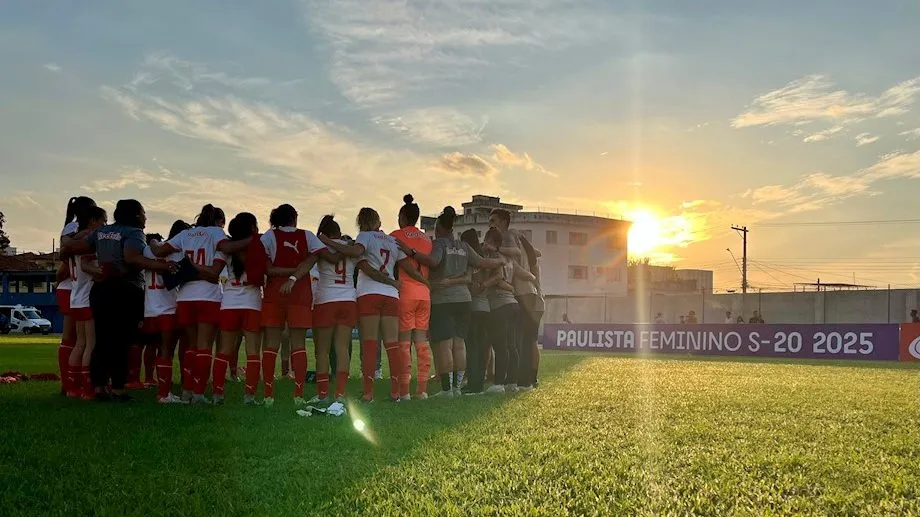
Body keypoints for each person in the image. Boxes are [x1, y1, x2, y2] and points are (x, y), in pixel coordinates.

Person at [62, 199, 177, 402]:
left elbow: (76, 247)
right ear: (134, 215)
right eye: (143, 213)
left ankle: (98, 386)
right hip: (125, 289)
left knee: (101, 339)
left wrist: (68, 238)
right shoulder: (133, 233)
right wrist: (162, 266)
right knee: (122, 340)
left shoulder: (102, 231)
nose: (145, 217)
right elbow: (132, 257)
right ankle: (117, 388)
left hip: (100, 290)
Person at [319, 207, 422, 402]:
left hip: (369, 293)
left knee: (369, 344)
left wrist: (328, 241)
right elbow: (407, 265)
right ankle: (396, 392)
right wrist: (423, 283)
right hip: (391, 295)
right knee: (392, 345)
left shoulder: (364, 236)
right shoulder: (391, 240)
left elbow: (355, 251)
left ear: (361, 222)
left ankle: (368, 393)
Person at [151, 204, 232, 404]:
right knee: (205, 347)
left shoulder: (186, 234)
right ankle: (198, 393)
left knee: (191, 346)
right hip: (208, 296)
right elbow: (214, 272)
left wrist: (153, 241)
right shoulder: (216, 234)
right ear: (219, 221)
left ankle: (187, 390)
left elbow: (161, 251)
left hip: (185, 296)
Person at [258, 204, 327, 407]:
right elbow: (313, 260)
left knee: (271, 344)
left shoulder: (268, 237)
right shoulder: (307, 236)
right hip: (300, 294)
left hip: (274, 293)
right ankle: (298, 394)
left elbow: (268, 269)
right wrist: (295, 275)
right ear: (294, 218)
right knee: (299, 345)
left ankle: (268, 395)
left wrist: (284, 273)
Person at [488, 208, 541, 392]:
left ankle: (523, 382)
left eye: (493, 220)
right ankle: (525, 380)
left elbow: (515, 259)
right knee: (524, 340)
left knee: (521, 341)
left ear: (503, 221)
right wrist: (533, 278)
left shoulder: (508, 236)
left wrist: (496, 248)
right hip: (528, 292)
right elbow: (535, 255)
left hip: (521, 293)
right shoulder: (517, 237)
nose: (490, 225)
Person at [214, 213, 263, 405]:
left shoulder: (227, 248)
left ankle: (218, 394)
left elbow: (215, 269)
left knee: (224, 350)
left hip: (230, 302)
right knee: (252, 352)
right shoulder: (258, 246)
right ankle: (249, 396)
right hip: (251, 302)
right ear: (252, 228)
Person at [389, 194, 434, 400]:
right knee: (422, 343)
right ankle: (422, 390)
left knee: (403, 343)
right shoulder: (426, 239)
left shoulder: (395, 235)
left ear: (402, 216)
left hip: (406, 291)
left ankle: (405, 391)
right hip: (425, 294)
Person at [311, 215, 358, 403]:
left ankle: (323, 394)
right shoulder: (350, 247)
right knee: (342, 348)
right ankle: (340, 393)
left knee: (322, 351)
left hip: (326, 299)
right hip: (348, 299)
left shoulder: (320, 244)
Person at [146, 221, 190, 404]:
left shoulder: (149, 250)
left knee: (159, 349)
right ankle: (165, 393)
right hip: (169, 306)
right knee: (170, 349)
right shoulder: (180, 252)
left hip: (150, 306)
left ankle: (162, 388)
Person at [57, 196, 97, 395]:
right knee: (79, 340)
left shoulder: (71, 230)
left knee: (77, 340)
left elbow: (63, 253)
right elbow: (64, 256)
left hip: (73, 289)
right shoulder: (80, 231)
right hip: (76, 288)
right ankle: (77, 384)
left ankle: (70, 385)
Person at [66, 206, 107, 400]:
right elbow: (86, 265)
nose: (104, 225)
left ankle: (72, 387)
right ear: (93, 221)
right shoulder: (88, 240)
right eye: (102, 221)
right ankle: (87, 389)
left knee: (80, 343)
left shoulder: (73, 241)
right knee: (91, 344)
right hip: (87, 296)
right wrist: (103, 272)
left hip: (75, 296)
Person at [481, 228, 518, 394]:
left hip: (499, 304)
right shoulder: (508, 258)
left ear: (491, 241)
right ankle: (511, 382)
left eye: (486, 240)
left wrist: (483, 284)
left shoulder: (495, 257)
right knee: (511, 345)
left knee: (500, 345)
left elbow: (499, 279)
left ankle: (499, 384)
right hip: (512, 304)